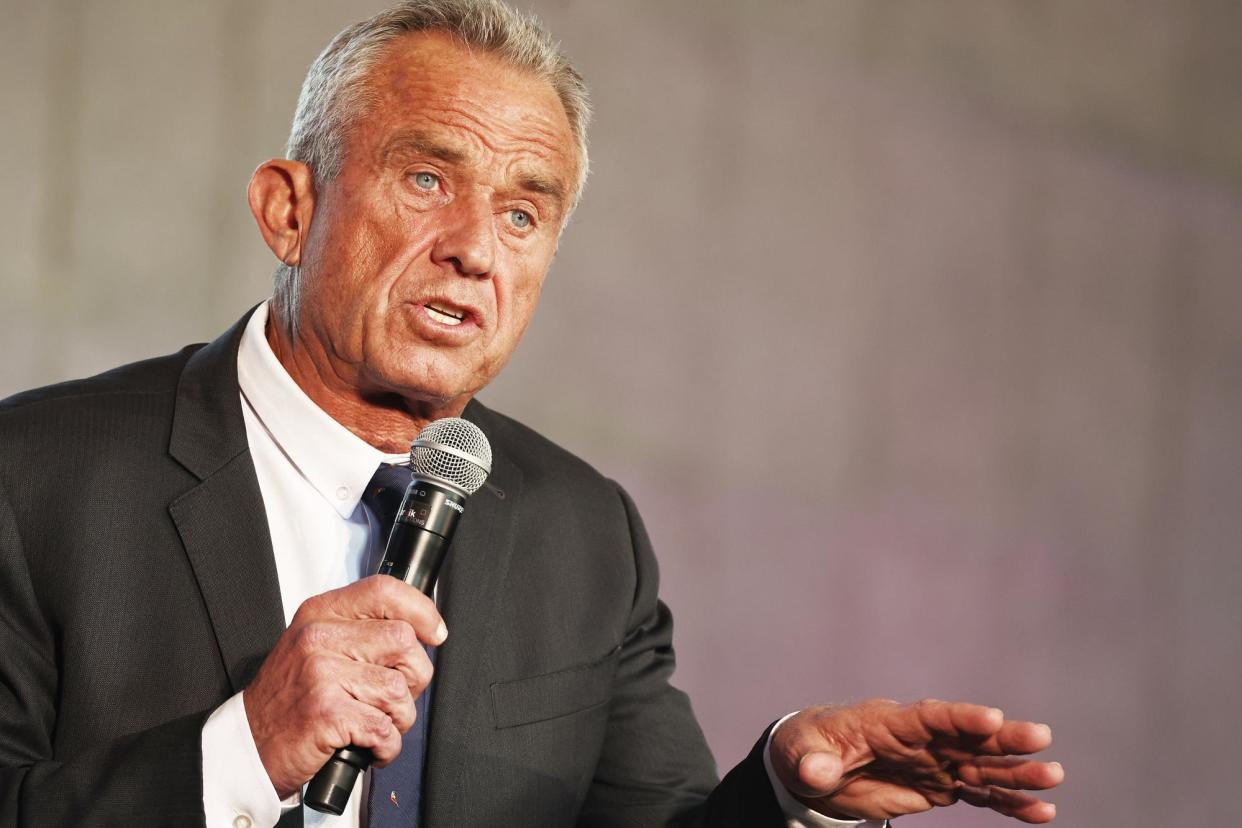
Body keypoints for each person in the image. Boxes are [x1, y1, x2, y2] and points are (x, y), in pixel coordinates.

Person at [0, 1, 1063, 825]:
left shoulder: (585, 535)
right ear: (291, 208)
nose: (475, 247)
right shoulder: (33, 476)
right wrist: (242, 752)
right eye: (426, 178)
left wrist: (793, 799)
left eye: (522, 211)